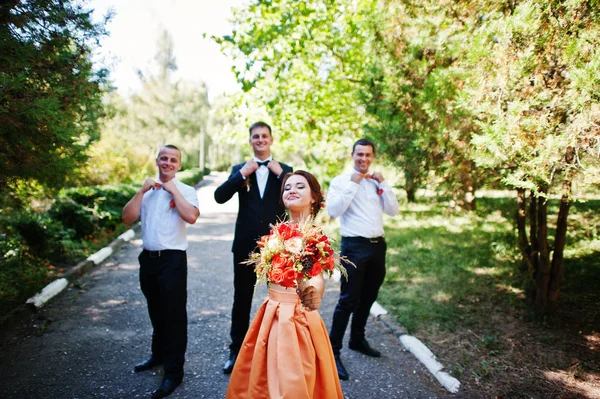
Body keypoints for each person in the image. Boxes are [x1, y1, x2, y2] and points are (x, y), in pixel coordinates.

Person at [226, 171, 344, 399]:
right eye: (287, 187)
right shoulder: (274, 235)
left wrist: (314, 293)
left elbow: (316, 277)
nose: (292, 190)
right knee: (265, 377)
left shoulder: (315, 238)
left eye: (300, 186)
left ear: (314, 197)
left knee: (294, 380)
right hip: (272, 313)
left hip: (297, 318)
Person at [214, 121, 293, 374]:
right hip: (245, 246)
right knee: (242, 299)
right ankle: (236, 350)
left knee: (280, 299)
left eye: (264, 136)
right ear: (250, 141)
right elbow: (219, 196)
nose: (260, 140)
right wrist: (241, 175)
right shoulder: (241, 169)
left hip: (277, 246)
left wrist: (281, 175)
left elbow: (297, 198)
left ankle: (280, 351)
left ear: (271, 140)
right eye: (255, 136)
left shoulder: (286, 170)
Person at [122, 145, 200, 398]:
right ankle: (158, 356)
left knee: (174, 317)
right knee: (155, 311)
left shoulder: (186, 190)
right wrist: (142, 189)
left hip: (173, 260)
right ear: (156, 160)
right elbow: (127, 218)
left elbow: (191, 217)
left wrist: (173, 190)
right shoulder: (146, 191)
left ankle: (174, 374)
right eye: (164, 158)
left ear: (179, 165)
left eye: (173, 160)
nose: (167, 163)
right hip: (148, 259)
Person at [327, 138, 399, 381]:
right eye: (360, 154)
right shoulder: (340, 181)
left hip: (378, 246)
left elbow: (393, 210)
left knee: (369, 297)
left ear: (373, 156)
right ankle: (332, 352)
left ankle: (357, 339)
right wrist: (353, 184)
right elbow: (333, 211)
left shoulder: (376, 182)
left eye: (368, 155)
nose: (364, 159)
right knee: (348, 300)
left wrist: (384, 184)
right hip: (354, 246)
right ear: (352, 154)